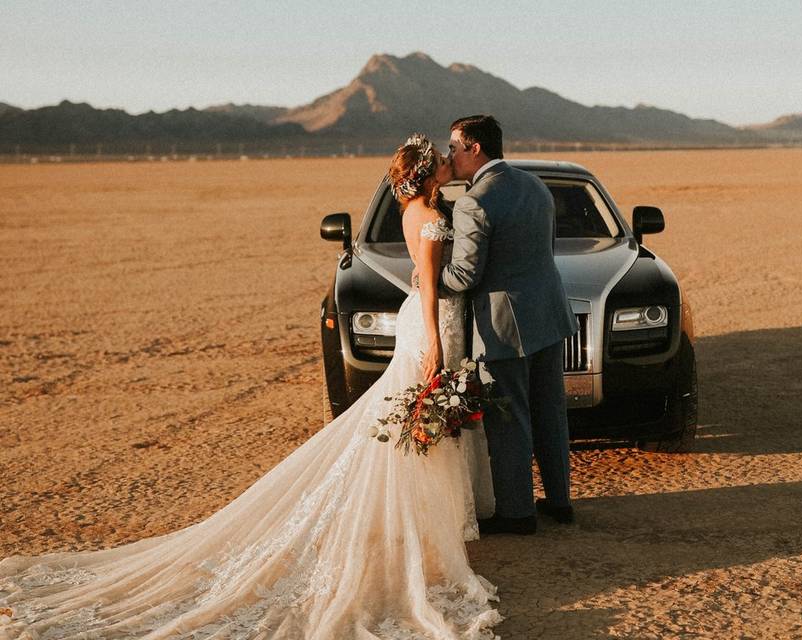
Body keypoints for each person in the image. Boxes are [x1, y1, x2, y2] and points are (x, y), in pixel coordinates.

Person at [0, 135, 501, 640]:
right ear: (422, 173)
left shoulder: (420, 209)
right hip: (429, 323)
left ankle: (418, 532)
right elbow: (431, 285)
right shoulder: (426, 217)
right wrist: (435, 342)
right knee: (416, 421)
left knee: (413, 421)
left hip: (425, 318)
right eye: (436, 160)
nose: (444, 162)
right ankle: (419, 536)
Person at [440, 115, 579, 535]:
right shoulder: (535, 185)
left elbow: (464, 276)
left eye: (453, 147)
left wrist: (429, 279)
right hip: (550, 315)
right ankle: (560, 501)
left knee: (510, 418)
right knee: (551, 411)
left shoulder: (473, 202)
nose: (450, 155)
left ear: (474, 148)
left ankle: (518, 513)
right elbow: (545, 250)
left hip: (504, 327)